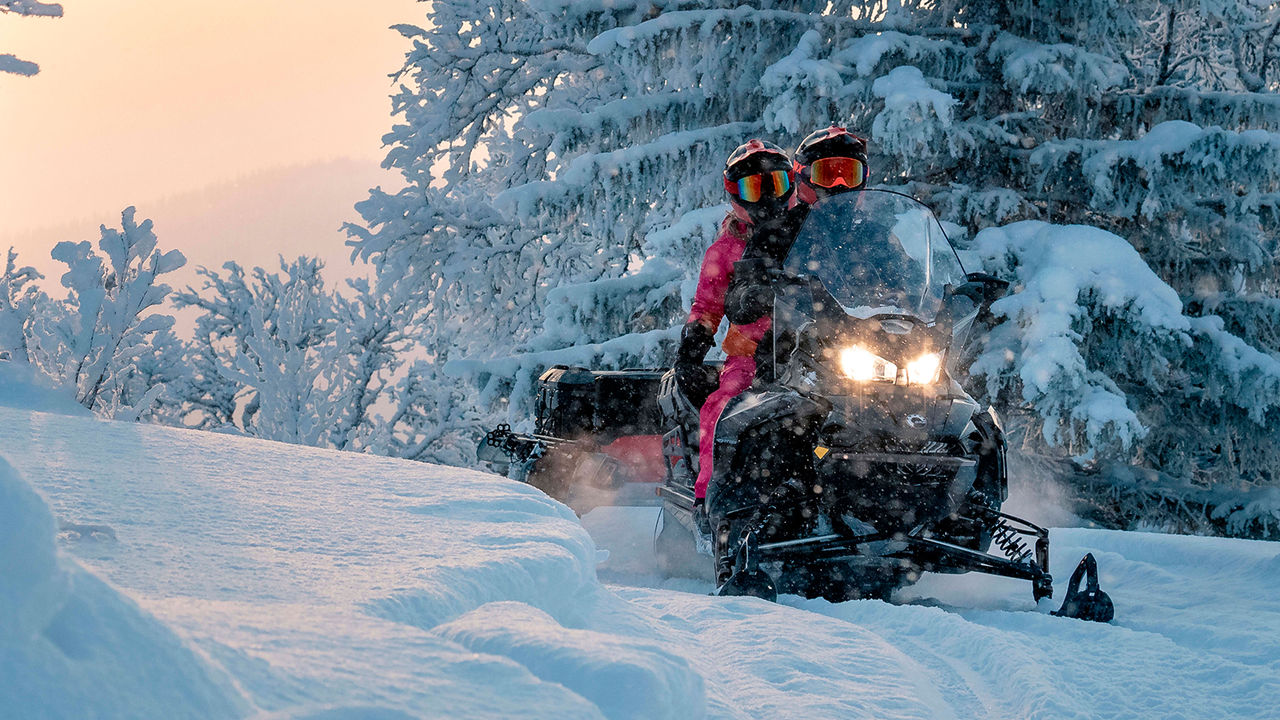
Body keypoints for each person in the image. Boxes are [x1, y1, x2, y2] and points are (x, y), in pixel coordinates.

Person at [673, 139, 795, 521]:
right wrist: (692, 347)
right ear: (734, 195)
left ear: (790, 184)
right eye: (753, 188)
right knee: (723, 406)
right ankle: (711, 502)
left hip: (818, 349)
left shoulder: (814, 234)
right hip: (754, 354)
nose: (767, 198)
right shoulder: (726, 249)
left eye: (773, 184)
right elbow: (707, 306)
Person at [725, 126, 870, 330]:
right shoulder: (779, 231)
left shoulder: (872, 234)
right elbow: (739, 290)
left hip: (866, 342)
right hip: (795, 344)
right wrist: (754, 293)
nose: (840, 184)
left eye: (850, 174)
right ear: (804, 176)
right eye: (827, 174)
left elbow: (911, 277)